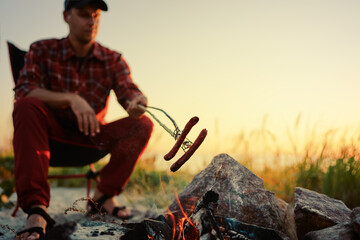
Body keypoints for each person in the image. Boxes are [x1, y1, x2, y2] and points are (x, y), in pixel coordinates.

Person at [13, 0, 153, 239]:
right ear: (67, 16)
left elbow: (129, 91)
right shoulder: (42, 49)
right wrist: (70, 98)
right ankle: (37, 209)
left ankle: (102, 197)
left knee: (143, 124)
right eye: (83, 14)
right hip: (48, 140)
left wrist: (135, 100)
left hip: (91, 141)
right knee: (26, 105)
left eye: (96, 15)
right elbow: (24, 90)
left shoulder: (112, 59)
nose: (91, 21)